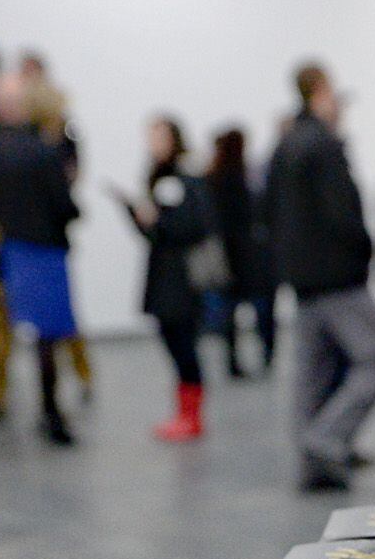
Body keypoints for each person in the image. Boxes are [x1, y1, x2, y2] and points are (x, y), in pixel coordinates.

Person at [269, 61, 375, 493]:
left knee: (314, 371)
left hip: (301, 276)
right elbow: (342, 213)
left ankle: (314, 462)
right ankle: (324, 439)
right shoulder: (323, 146)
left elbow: (267, 210)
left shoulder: (285, 144)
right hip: (337, 275)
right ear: (321, 92)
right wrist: (365, 250)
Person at [0, 70, 81, 444]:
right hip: (43, 250)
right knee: (49, 336)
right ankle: (50, 412)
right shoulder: (43, 152)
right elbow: (65, 205)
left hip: (5, 245)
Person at [112, 115, 217, 442]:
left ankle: (191, 416)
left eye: (159, 136)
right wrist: (136, 214)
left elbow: (193, 225)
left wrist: (157, 219)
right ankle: (184, 413)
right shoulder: (160, 177)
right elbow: (154, 233)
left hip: (181, 278)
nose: (153, 144)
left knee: (184, 345)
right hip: (164, 274)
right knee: (173, 342)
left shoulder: (186, 178)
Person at [205, 127, 276, 378]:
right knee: (261, 308)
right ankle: (266, 354)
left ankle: (234, 362)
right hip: (250, 253)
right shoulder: (244, 178)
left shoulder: (213, 178)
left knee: (231, 313)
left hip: (231, 254)